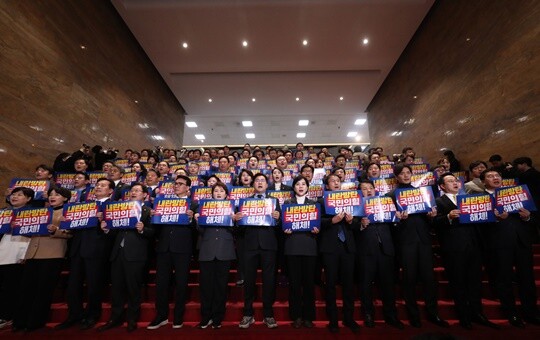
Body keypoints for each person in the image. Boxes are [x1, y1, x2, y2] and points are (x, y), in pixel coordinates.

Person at [434, 173, 499, 330]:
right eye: (450, 181)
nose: (455, 183)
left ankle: (478, 313)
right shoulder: (438, 201)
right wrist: (448, 217)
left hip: (474, 245)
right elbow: (434, 223)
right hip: (454, 248)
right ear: (442, 186)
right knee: (458, 282)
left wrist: (492, 215)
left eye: (456, 180)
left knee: (475, 282)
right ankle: (464, 316)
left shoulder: (471, 198)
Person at [389, 164, 448, 328]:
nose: (406, 175)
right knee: (409, 278)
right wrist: (398, 219)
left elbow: (431, 219)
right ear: (396, 176)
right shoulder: (391, 195)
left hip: (423, 240)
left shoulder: (423, 193)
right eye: (402, 173)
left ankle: (433, 313)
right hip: (405, 241)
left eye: (409, 172)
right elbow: (389, 223)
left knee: (429, 278)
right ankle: (413, 314)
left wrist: (431, 215)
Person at [480, 169, 540, 327]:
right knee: (504, 279)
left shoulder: (517, 193)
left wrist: (527, 216)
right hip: (498, 244)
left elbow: (533, 218)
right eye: (490, 176)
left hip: (521, 241)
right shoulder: (480, 199)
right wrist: (496, 219)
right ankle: (511, 313)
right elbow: (476, 226)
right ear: (483, 182)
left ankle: (531, 312)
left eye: (497, 175)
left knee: (527, 278)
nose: (495, 178)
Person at [55, 178, 115, 331]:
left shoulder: (113, 206)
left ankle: (92, 315)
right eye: (97, 185)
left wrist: (105, 223)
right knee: (73, 285)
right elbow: (74, 226)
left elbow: (117, 231)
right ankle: (74, 315)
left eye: (103, 185)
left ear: (110, 191)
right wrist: (66, 222)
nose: (98, 187)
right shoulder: (83, 205)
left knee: (94, 285)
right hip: (77, 249)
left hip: (97, 250)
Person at [13, 186, 72, 332]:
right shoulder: (37, 212)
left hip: (52, 254)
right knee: (26, 289)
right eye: (51, 194)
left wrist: (56, 230)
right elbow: (31, 232)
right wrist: (19, 227)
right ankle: (20, 321)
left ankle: (35, 322)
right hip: (33, 254)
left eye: (57, 195)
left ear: (65, 198)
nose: (52, 197)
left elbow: (70, 234)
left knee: (43, 291)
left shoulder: (67, 211)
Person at [98, 182, 154, 332]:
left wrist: (143, 230)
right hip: (118, 253)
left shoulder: (148, 211)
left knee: (133, 288)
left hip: (135, 255)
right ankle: (115, 318)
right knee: (116, 288)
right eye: (132, 190)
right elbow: (115, 231)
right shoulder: (120, 208)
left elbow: (154, 233)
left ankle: (132, 319)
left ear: (145, 195)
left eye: (137, 190)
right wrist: (106, 230)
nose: (133, 193)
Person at [147, 175, 197, 330]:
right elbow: (155, 229)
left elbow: (198, 230)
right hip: (163, 247)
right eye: (175, 183)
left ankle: (178, 317)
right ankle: (161, 316)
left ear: (188, 188)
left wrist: (191, 219)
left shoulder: (194, 205)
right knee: (161, 283)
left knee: (181, 284)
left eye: (181, 184)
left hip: (183, 248)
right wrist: (153, 217)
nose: (177, 186)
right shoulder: (162, 203)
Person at [356, 180, 404, 329]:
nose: (369, 191)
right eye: (364, 189)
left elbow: (395, 229)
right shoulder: (356, 208)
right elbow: (350, 230)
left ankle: (391, 315)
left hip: (386, 249)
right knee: (365, 285)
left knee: (388, 285)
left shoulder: (386, 203)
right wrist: (361, 225)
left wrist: (397, 219)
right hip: (366, 251)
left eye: (371, 188)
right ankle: (368, 314)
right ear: (359, 192)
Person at [196, 182, 242, 329]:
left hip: (225, 250)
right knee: (206, 286)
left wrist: (235, 221)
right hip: (207, 250)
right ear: (212, 194)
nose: (218, 193)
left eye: (221, 191)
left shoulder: (232, 209)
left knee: (221, 286)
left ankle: (217, 317)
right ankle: (206, 316)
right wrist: (197, 220)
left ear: (226, 195)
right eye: (216, 191)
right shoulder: (203, 207)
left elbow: (237, 232)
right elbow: (200, 231)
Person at [238, 173, 280, 329]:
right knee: (249, 281)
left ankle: (268, 314)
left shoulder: (274, 202)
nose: (260, 183)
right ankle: (248, 314)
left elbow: (280, 225)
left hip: (269, 245)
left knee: (269, 281)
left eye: (263, 180)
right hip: (249, 245)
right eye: (257, 181)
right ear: (253, 184)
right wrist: (238, 218)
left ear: (267, 185)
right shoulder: (245, 202)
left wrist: (278, 217)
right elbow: (239, 227)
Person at [319, 174, 359, 333]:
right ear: (327, 186)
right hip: (330, 248)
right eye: (332, 182)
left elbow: (359, 224)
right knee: (330, 284)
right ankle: (333, 319)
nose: (336, 183)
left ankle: (349, 318)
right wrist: (331, 221)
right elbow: (316, 222)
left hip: (348, 247)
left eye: (338, 181)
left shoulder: (351, 200)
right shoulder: (322, 202)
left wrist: (351, 221)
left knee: (348, 284)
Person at [283, 176, 319, 329]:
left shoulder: (314, 204)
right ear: (294, 187)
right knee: (295, 284)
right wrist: (284, 229)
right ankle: (296, 316)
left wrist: (318, 230)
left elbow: (319, 225)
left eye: (303, 184)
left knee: (309, 284)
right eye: (298, 184)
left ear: (307, 187)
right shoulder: (287, 204)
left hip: (309, 246)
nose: (301, 186)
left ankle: (309, 316)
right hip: (292, 246)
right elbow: (282, 225)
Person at [0, 187, 34, 330]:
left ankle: (8, 316)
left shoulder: (32, 214)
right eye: (14, 194)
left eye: (20, 195)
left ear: (28, 199)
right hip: (2, 251)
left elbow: (33, 236)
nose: (15, 197)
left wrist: (24, 255)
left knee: (11, 288)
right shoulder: (3, 212)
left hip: (17, 254)